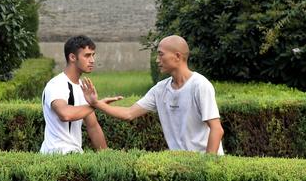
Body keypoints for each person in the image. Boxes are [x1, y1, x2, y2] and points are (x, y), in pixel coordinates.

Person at [84, 35, 224, 154]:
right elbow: (129, 113)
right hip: (181, 165)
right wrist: (96, 103)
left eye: (161, 54)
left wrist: (207, 166)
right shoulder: (160, 89)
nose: (157, 60)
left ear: (177, 56)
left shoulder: (200, 85)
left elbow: (217, 129)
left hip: (205, 167)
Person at [40, 35, 122, 154]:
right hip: (55, 155)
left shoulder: (82, 87)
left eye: (93, 55)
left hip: (74, 155)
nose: (92, 60)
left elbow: (93, 126)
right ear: (73, 57)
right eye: (87, 55)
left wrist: (107, 155)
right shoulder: (56, 85)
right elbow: (65, 114)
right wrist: (95, 105)